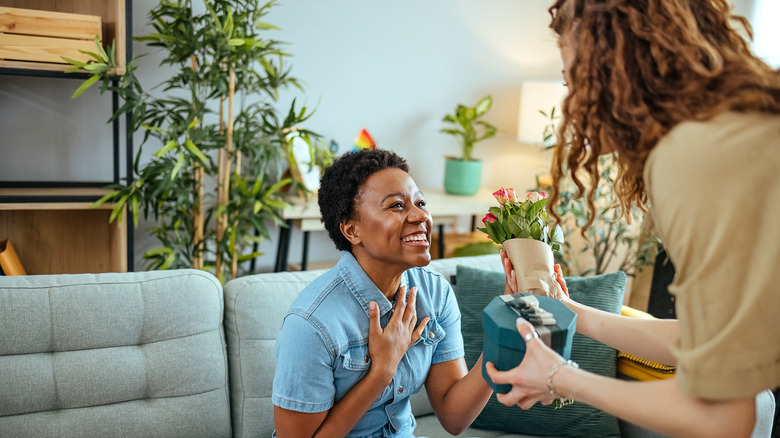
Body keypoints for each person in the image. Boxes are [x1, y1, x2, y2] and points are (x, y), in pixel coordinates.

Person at [486, 0, 780, 437]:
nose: (570, 101)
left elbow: (723, 418)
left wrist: (558, 377)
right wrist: (571, 312)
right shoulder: (742, 126)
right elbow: (702, 339)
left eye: (572, 76)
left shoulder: (694, 157)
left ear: (614, 63)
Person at [272, 149, 494, 437]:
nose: (420, 215)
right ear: (352, 230)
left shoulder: (435, 293)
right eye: (397, 206)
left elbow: (454, 418)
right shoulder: (312, 324)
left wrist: (500, 347)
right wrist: (382, 371)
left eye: (420, 202)